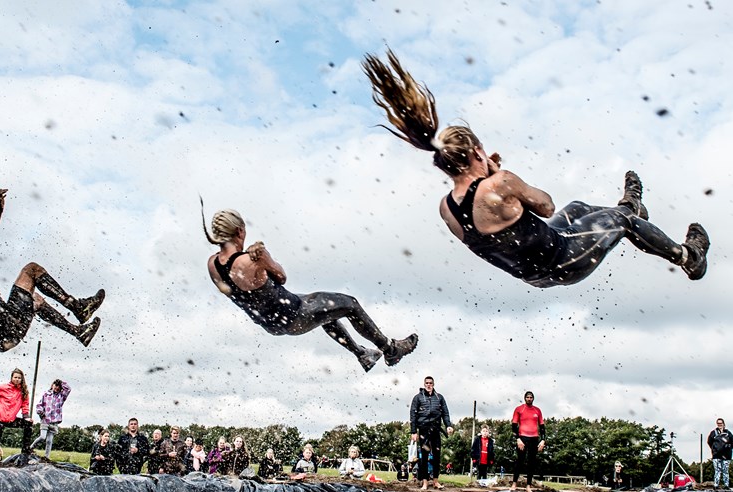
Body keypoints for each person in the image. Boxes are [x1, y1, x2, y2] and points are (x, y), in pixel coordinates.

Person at [362, 50, 710, 288]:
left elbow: (498, 230)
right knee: (622, 223)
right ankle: (687, 257)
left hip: (533, 275)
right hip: (565, 260)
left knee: (577, 209)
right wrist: (500, 174)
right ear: (476, 152)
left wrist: (492, 180)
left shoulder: (446, 207)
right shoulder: (499, 184)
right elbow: (545, 206)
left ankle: (630, 208)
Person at [203, 205, 418, 372]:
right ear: (240, 231)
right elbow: (281, 277)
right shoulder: (251, 260)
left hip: (271, 323)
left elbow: (243, 292)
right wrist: (264, 258)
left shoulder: (212, 265)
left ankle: (362, 354)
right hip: (295, 313)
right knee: (350, 304)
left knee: (327, 310)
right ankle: (390, 350)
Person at [0, 188, 104, 352]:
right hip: (4, 329)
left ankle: (79, 332)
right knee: (31, 270)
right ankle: (77, 308)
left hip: (1, 338)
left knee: (34, 298)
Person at [0, 368, 34, 464]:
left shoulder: (23, 391)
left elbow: (25, 405)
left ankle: (24, 454)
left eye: (19, 378)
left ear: (22, 379)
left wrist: (26, 417)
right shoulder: (4, 387)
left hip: (11, 419)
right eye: (15, 377)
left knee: (28, 424)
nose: (17, 379)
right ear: (11, 378)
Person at [410, 376, 453, 491]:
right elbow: (413, 415)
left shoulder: (439, 397)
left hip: (436, 429)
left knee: (437, 456)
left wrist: (448, 425)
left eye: (430, 383)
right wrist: (413, 431)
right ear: (424, 384)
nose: (429, 385)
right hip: (423, 429)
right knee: (423, 456)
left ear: (433, 384)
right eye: (427, 383)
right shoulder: (418, 398)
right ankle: (424, 482)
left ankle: (435, 481)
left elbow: (445, 413)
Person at [511, 391, 546, 492]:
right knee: (519, 461)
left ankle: (528, 486)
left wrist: (543, 440)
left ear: (533, 398)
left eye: (531, 397)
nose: (529, 399)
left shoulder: (537, 410)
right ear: (525, 398)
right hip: (522, 438)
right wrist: (518, 439)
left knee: (531, 462)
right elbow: (514, 426)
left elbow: (542, 427)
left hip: (534, 438)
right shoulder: (519, 409)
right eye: (527, 397)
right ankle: (514, 484)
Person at [32, 379, 70, 459]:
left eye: (58, 386)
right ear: (52, 385)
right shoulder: (46, 394)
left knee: (49, 441)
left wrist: (61, 382)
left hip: (54, 421)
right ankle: (31, 447)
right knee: (43, 437)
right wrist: (40, 411)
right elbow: (39, 404)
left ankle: (47, 457)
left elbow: (68, 389)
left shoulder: (61, 396)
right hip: (45, 419)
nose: (56, 387)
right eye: (55, 385)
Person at [707, 418, 732, 489]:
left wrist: (728, 448)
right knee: (717, 471)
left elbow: (732, 442)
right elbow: (709, 441)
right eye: (718, 423)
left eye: (721, 423)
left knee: (725, 471)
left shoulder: (728, 433)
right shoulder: (713, 433)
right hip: (716, 455)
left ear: (723, 424)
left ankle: (726, 485)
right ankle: (716, 485)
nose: (719, 425)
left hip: (726, 456)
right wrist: (714, 449)